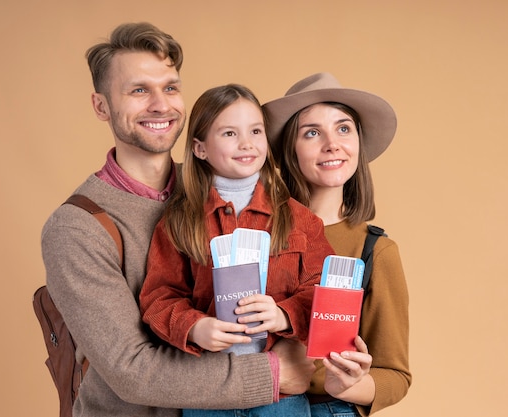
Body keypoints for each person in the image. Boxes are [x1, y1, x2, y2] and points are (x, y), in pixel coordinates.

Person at [40, 22, 315, 417]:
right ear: (101, 106)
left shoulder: (226, 188)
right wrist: (273, 373)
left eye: (170, 88)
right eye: (139, 90)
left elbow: (301, 264)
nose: (160, 105)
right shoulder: (77, 228)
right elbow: (131, 371)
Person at [139, 83, 335, 416]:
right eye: (229, 133)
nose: (246, 144)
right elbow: (159, 296)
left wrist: (283, 314)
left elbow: (324, 292)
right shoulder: (179, 221)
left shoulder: (301, 220)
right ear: (200, 149)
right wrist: (194, 326)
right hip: (209, 395)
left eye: (255, 131)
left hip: (280, 399)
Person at [262, 73, 412, 416]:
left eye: (343, 128)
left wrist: (349, 384)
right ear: (289, 150)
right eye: (312, 132)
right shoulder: (252, 234)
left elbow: (396, 375)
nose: (332, 143)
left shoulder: (376, 251)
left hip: (330, 409)